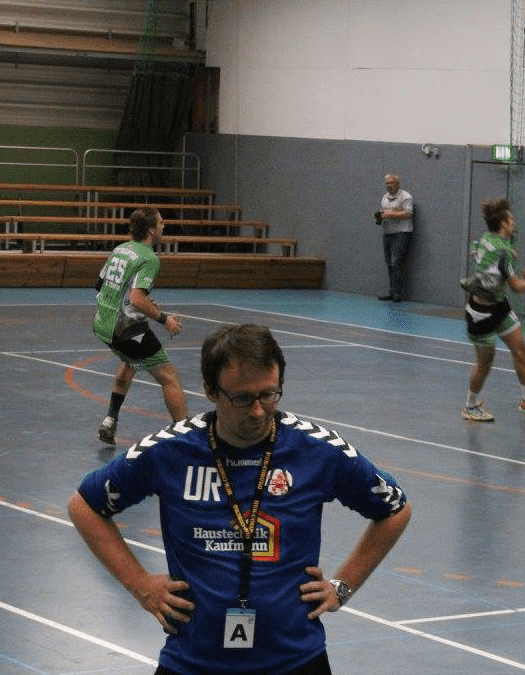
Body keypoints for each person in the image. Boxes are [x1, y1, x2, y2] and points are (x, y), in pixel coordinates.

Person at [68, 323, 412, 675]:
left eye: (269, 395)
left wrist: (342, 586)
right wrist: (140, 585)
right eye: (243, 398)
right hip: (193, 662)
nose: (259, 411)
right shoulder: (170, 450)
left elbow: (394, 509)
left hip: (295, 661)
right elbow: (85, 506)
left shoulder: (317, 450)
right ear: (210, 391)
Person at [93, 206, 187, 444]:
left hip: (103, 325)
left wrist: (136, 300)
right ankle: (186, 436)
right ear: (152, 230)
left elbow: (100, 284)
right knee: (169, 377)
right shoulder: (149, 258)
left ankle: (110, 420)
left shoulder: (121, 249)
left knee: (130, 362)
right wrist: (165, 319)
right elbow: (136, 298)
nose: (164, 226)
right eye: (162, 222)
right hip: (126, 329)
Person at [460, 198, 525, 422]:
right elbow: (517, 287)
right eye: (510, 218)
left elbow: (475, 249)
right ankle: (470, 405)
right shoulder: (502, 252)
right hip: (480, 314)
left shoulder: (486, 239)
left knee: (520, 349)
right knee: (485, 363)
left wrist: (501, 258)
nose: (513, 221)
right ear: (503, 223)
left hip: (499, 307)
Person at [376, 173, 414, 302]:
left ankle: (398, 293)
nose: (389, 186)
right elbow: (383, 212)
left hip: (402, 233)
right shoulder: (385, 198)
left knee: (397, 262)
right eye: (387, 183)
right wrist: (380, 217)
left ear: (398, 183)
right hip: (388, 233)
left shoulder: (406, 197)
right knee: (389, 263)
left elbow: (408, 213)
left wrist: (390, 214)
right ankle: (392, 292)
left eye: (391, 183)